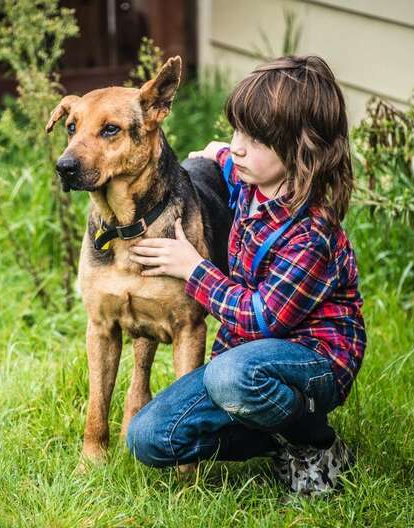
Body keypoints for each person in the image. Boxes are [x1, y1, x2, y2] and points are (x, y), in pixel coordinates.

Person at [125, 55, 366, 495]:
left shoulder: (310, 233)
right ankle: (272, 436)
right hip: (249, 363)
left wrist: (194, 269)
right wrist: (215, 150)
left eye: (253, 140)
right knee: (149, 437)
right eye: (237, 130)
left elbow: (262, 319)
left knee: (229, 377)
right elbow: (225, 157)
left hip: (314, 361)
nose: (237, 147)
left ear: (300, 150)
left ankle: (314, 441)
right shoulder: (249, 185)